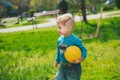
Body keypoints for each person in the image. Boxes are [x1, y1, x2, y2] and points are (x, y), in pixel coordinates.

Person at [54, 13, 87, 80]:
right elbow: (59, 51)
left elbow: (84, 50)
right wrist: (57, 60)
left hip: (73, 67)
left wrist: (82, 58)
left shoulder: (75, 40)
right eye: (58, 27)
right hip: (63, 66)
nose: (58, 29)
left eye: (60, 27)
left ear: (69, 28)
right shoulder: (60, 40)